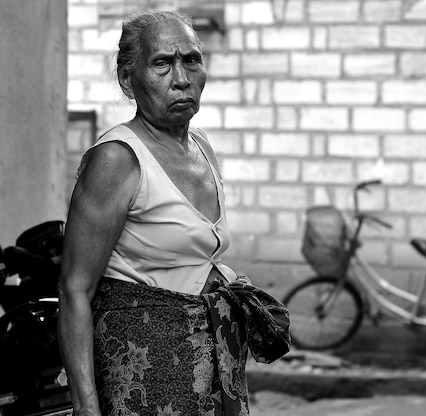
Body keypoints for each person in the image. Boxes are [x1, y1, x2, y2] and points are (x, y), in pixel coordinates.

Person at [57, 10, 289, 416]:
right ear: (128, 79)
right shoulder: (118, 160)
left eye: (192, 60)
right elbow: (74, 289)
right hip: (147, 374)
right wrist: (86, 407)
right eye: (162, 63)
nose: (181, 78)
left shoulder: (200, 147)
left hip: (212, 367)